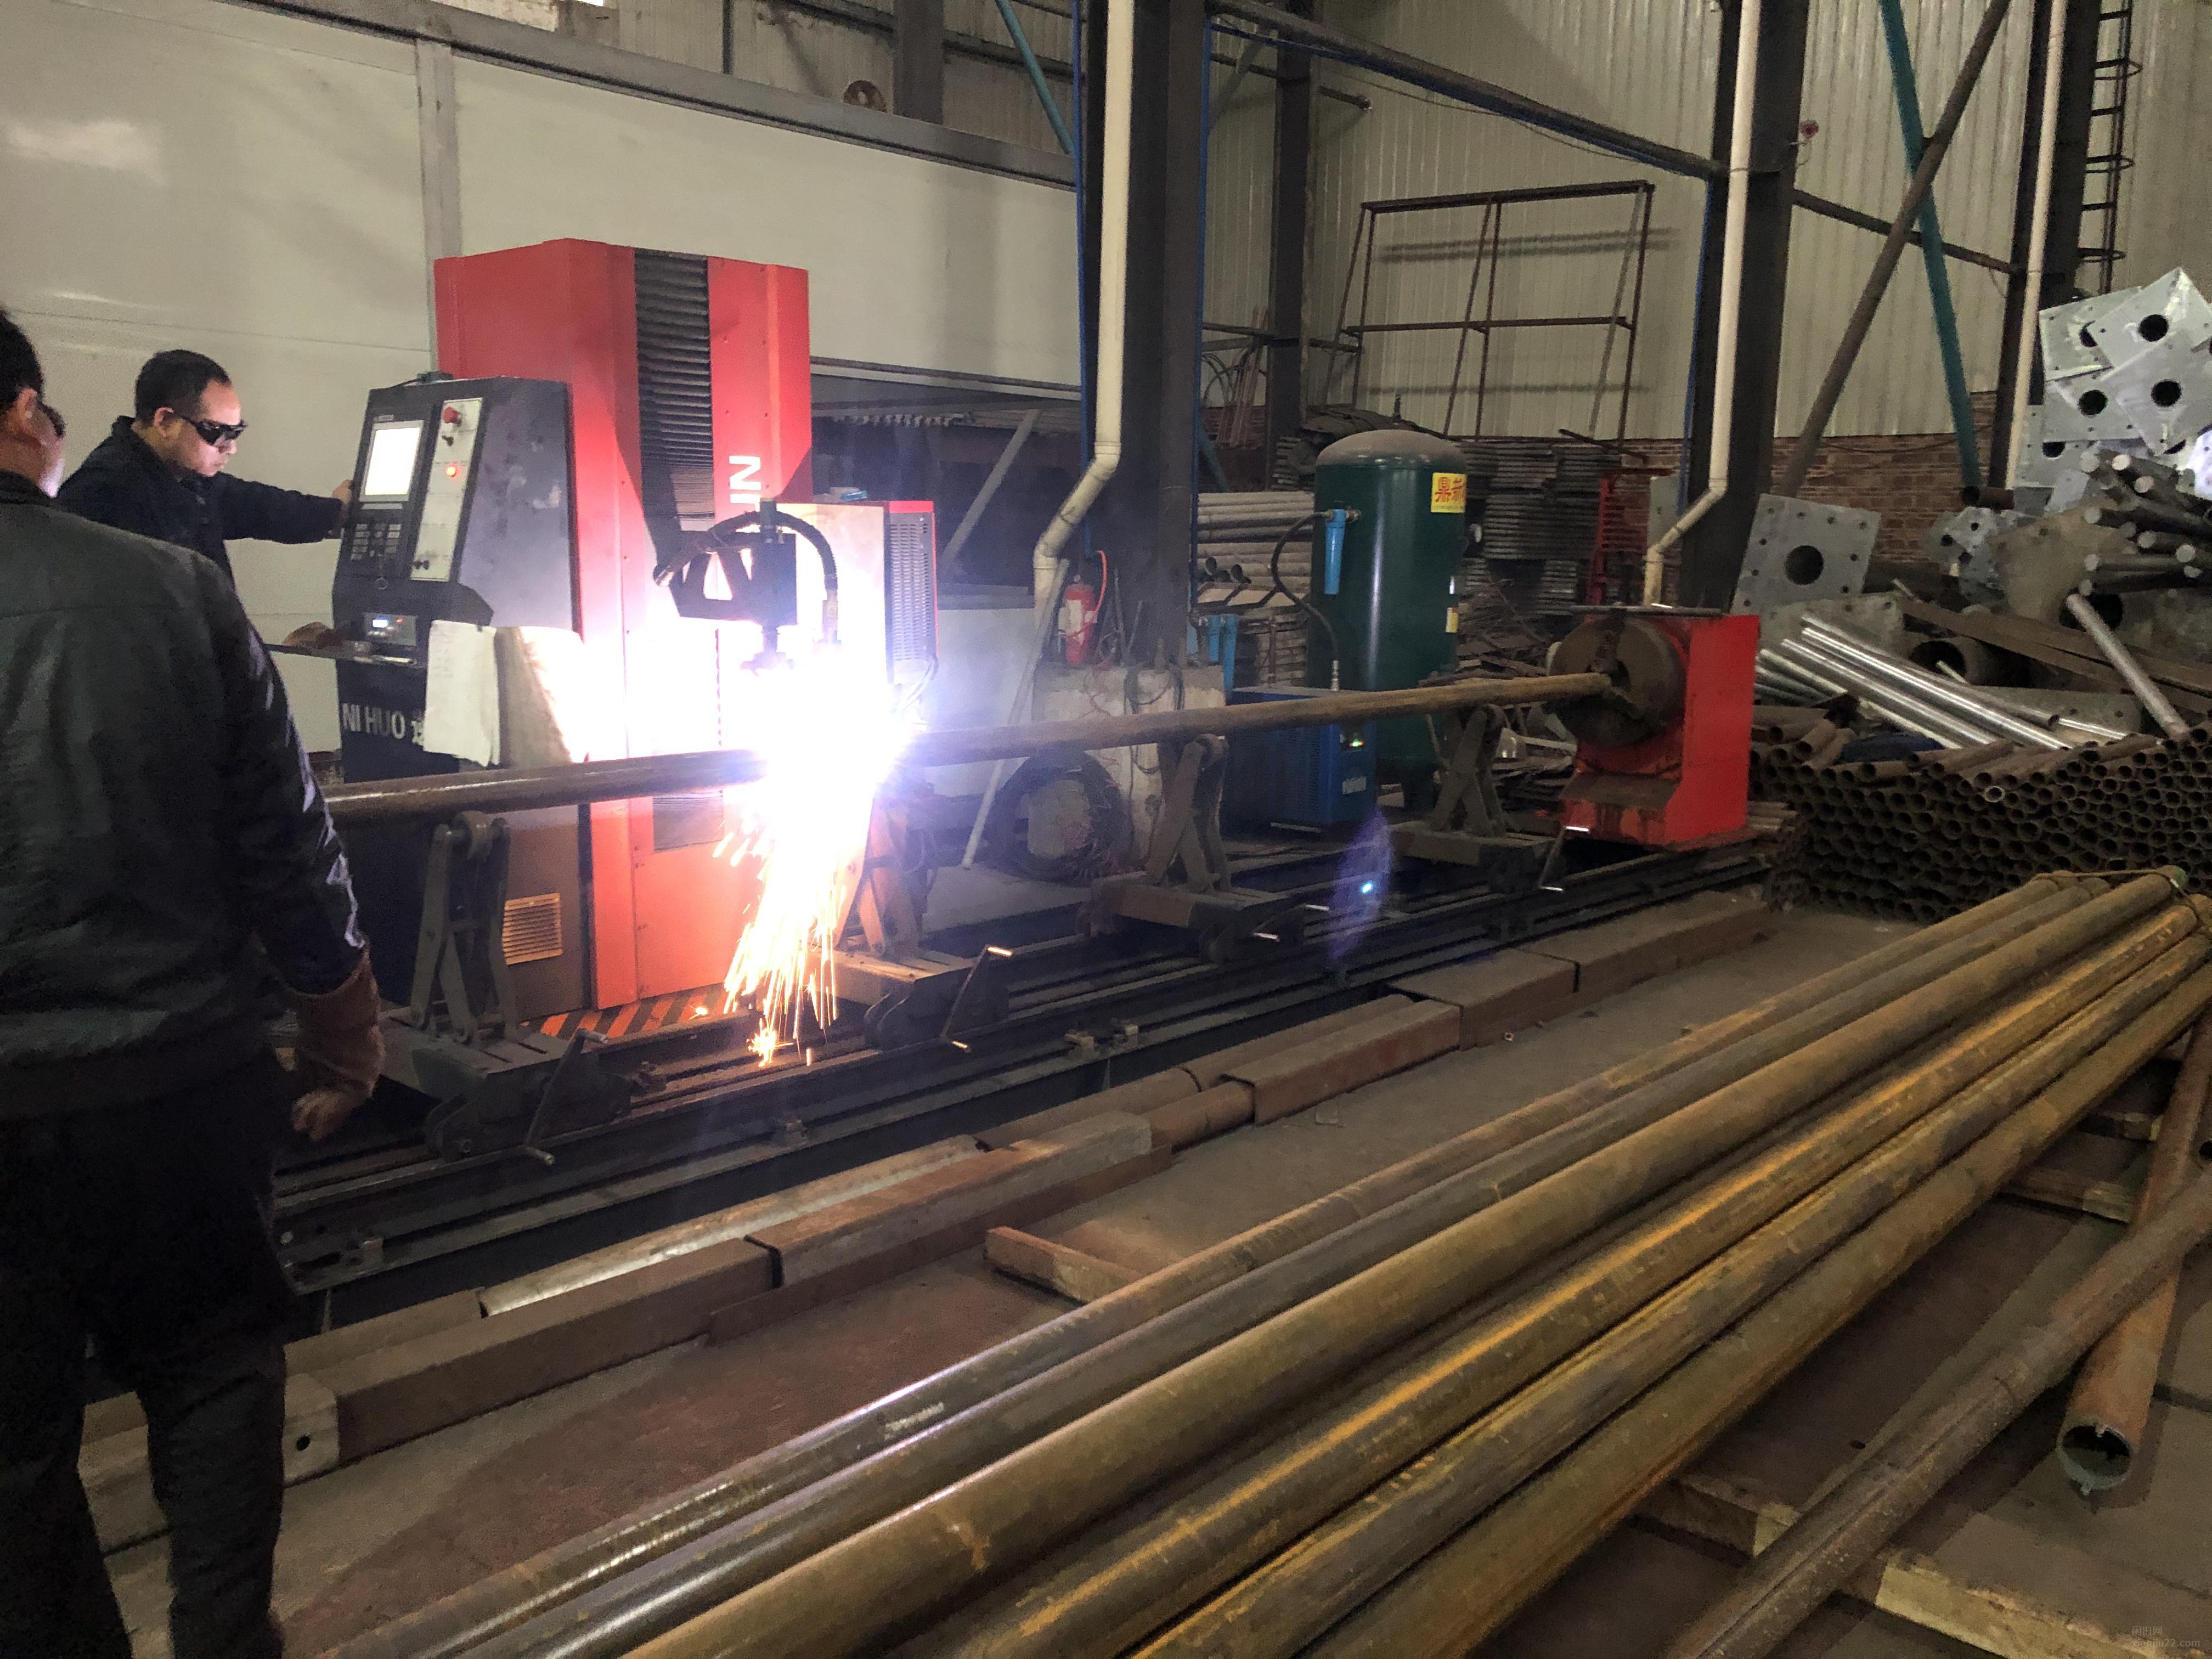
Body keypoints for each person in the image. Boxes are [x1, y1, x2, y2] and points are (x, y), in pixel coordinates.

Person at [0, 309, 383, 1659]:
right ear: (27, 417)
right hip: (176, 1077)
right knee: (215, 1369)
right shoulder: (168, 588)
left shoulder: (181, 545)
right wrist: (343, 1030)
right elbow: (287, 842)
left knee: (14, 1443)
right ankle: (226, 1639)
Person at [55, 348, 352, 584]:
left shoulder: (185, 479)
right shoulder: (102, 498)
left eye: (235, 433)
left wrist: (335, 512)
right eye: (218, 433)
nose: (231, 448)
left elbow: (263, 507)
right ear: (165, 421)